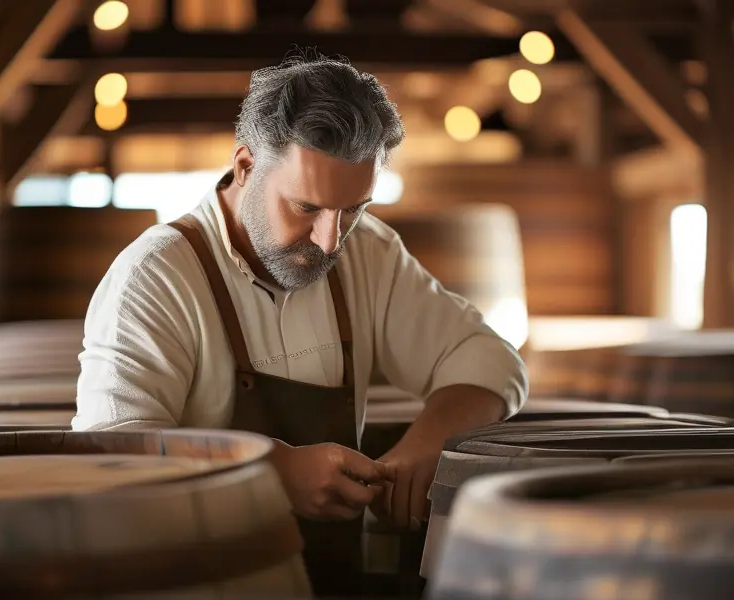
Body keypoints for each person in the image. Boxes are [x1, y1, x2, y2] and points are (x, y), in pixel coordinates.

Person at [72, 51, 528, 596]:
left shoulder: (368, 254)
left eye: (353, 208)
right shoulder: (155, 276)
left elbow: (490, 359)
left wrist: (426, 442)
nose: (329, 240)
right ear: (245, 167)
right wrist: (270, 474)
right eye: (307, 207)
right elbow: (111, 451)